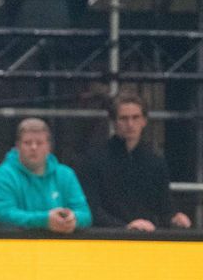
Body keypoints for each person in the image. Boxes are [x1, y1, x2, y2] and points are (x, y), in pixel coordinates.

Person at [81, 93, 192, 231]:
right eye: (123, 118)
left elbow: (165, 207)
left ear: (144, 121)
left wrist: (175, 218)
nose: (130, 124)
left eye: (135, 117)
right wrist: (125, 228)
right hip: (108, 239)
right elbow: (93, 209)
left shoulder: (155, 162)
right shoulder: (94, 160)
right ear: (114, 122)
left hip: (147, 238)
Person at [0, 118, 92, 233]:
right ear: (17, 146)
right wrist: (45, 220)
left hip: (61, 246)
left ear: (49, 147)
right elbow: (1, 214)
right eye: (27, 143)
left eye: (39, 143)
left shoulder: (66, 174)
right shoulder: (3, 175)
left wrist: (73, 218)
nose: (33, 147)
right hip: (15, 245)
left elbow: (85, 214)